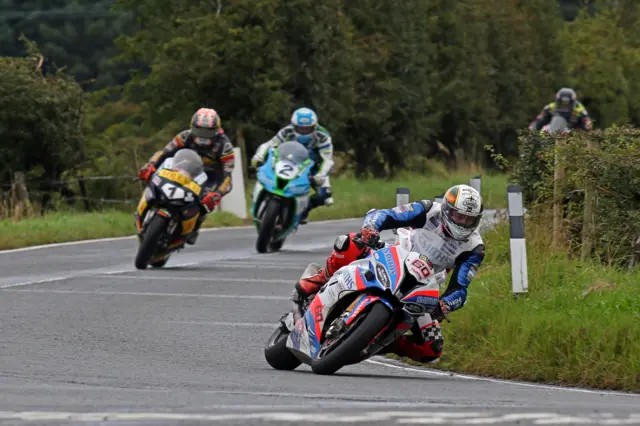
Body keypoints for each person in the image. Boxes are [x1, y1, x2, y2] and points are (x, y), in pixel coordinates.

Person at [291, 184, 485, 364]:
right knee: (350, 242)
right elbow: (386, 215)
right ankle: (319, 279)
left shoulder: (474, 248)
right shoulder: (428, 210)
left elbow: (460, 289)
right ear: (447, 210)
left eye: (469, 219)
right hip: (394, 257)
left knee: (432, 349)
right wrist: (371, 228)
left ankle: (379, 340)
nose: (463, 223)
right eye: (459, 216)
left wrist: (444, 305)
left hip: (423, 287)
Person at [138, 107, 235, 244]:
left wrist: (217, 194)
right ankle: (150, 206)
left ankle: (194, 226)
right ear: (192, 127)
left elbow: (228, 176)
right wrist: (150, 165)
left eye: (208, 132)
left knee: (205, 202)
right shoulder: (184, 136)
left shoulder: (225, 146)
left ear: (217, 130)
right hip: (185, 168)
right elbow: (164, 152)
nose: (203, 136)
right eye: (200, 131)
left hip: (210, 177)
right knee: (159, 180)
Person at [251, 107, 334, 223]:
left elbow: (328, 160)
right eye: (300, 128)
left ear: (315, 126)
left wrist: (320, 175)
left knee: (325, 196)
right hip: (288, 162)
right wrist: (258, 157)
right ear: (294, 126)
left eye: (308, 129)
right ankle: (260, 197)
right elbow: (269, 144)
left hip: (313, 167)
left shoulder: (323, 136)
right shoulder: (286, 131)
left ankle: (303, 211)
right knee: (264, 172)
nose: (304, 132)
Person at [529, 87, 593, 131]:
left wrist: (587, 125)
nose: (564, 105)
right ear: (557, 101)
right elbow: (540, 120)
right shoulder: (551, 107)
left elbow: (587, 122)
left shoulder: (579, 109)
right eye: (562, 103)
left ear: (572, 102)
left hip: (572, 135)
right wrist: (533, 127)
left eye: (567, 103)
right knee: (543, 131)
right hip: (553, 132)